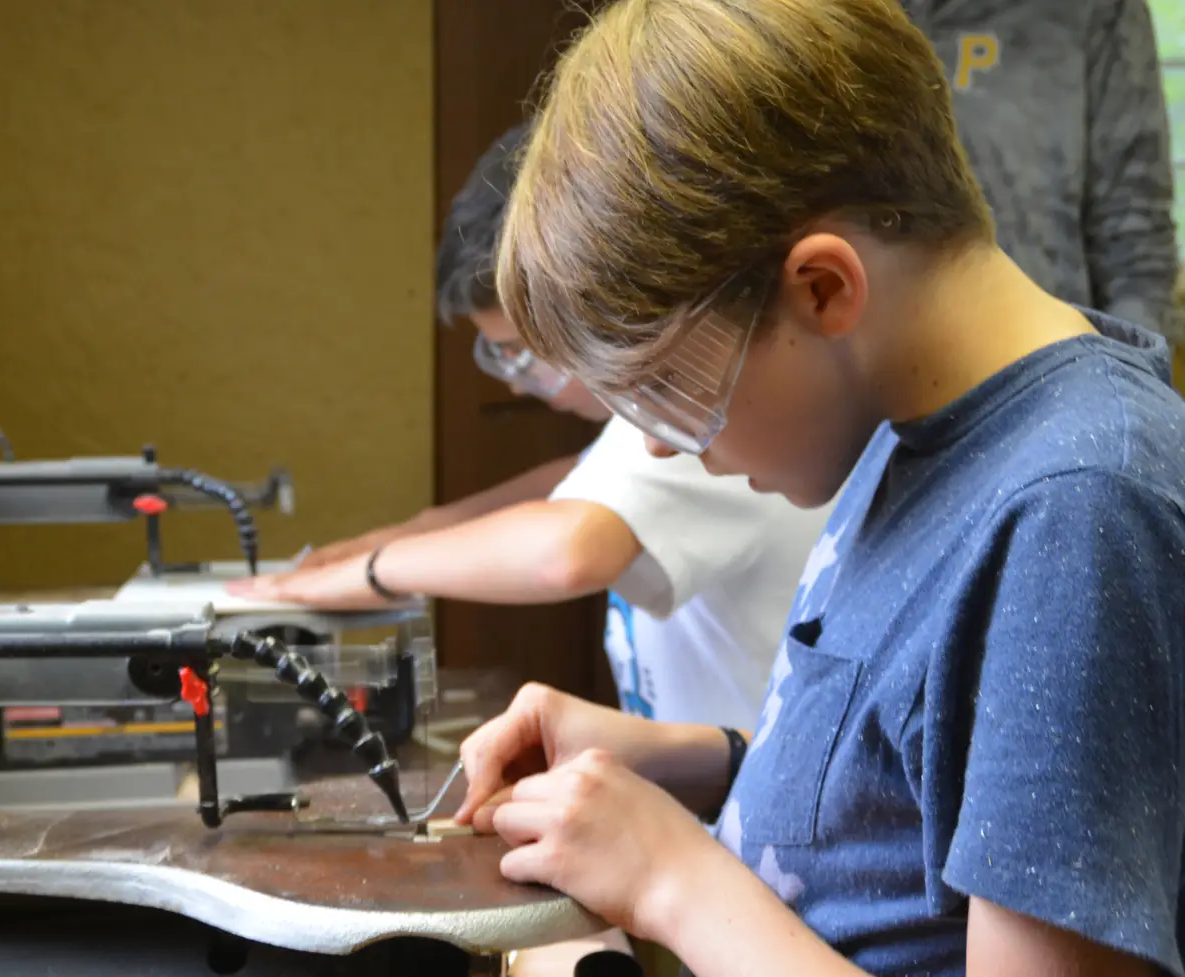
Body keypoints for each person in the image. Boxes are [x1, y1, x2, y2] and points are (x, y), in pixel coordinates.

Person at [452, 1, 1185, 975]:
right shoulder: (903, 427)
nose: (665, 451)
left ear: (822, 289)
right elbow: (901, 803)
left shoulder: (1071, 515)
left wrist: (669, 878)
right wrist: (677, 755)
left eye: (672, 392)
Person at [232, 125, 831, 728]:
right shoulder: (655, 418)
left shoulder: (700, 399)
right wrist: (420, 529)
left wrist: (375, 572)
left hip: (751, 801)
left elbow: (569, 549)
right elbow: (579, 478)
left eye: (523, 351)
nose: (517, 384)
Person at [902, 0, 1178, 344]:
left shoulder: (1099, 12)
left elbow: (1136, 243)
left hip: (1051, 365)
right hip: (866, 370)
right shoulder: (841, 15)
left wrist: (1123, 383)